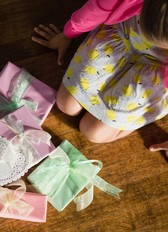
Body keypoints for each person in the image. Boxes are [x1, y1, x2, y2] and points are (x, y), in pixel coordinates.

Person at [32, 0, 168, 156]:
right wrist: (67, 33)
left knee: (93, 133)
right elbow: (96, 8)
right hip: (120, 41)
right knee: (66, 105)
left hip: (156, 72)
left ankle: (128, 122)